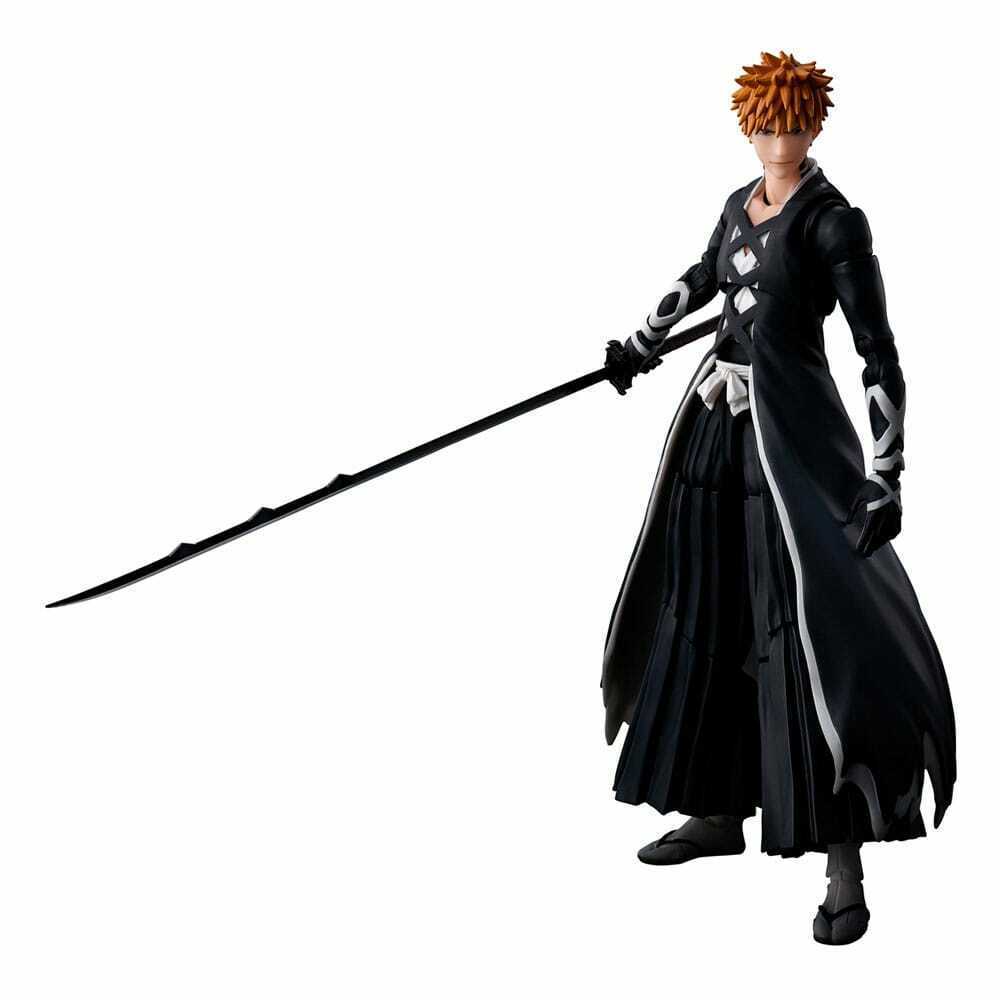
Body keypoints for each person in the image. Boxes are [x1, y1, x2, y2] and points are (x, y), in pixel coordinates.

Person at [601, 51, 956, 946]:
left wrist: (887, 471)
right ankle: (716, 807)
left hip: (792, 444)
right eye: (766, 121)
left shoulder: (834, 222)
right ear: (749, 126)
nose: (779, 134)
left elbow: (878, 352)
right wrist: (640, 344)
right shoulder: (737, 205)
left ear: (814, 123)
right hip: (717, 431)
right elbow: (703, 278)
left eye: (793, 120)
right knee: (704, 609)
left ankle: (843, 863)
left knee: (802, 631)